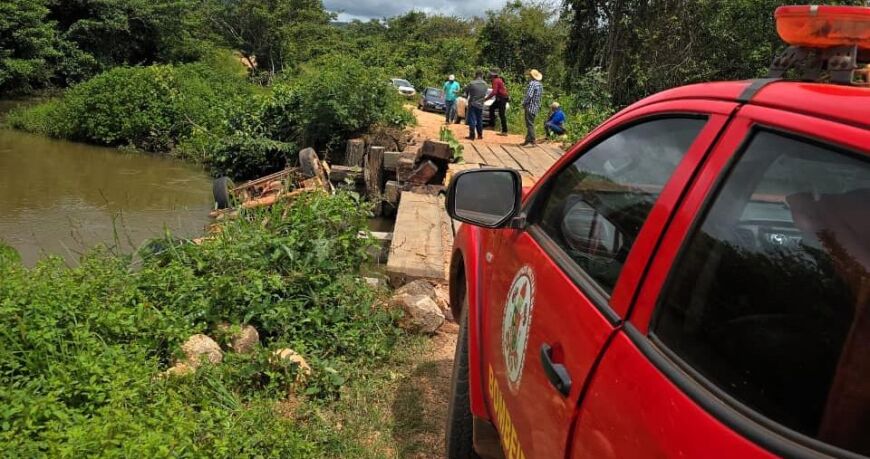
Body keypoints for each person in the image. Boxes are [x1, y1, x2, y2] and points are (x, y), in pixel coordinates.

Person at [464, 70, 488, 140]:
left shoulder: (472, 83)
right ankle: (480, 135)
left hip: (473, 104)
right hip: (481, 104)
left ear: (476, 75)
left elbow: (465, 90)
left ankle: (472, 135)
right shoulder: (485, 84)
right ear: (482, 76)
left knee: (472, 119)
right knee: (479, 119)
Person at [521, 69, 543, 147]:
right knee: (530, 123)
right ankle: (527, 140)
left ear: (531, 76)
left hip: (530, 106)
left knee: (529, 124)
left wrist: (524, 103)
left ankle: (533, 140)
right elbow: (540, 97)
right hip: (535, 107)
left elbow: (529, 96)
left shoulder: (532, 84)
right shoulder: (540, 85)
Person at [486, 69, 509, 136]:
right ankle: (491, 125)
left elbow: (494, 92)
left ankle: (505, 131)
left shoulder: (495, 80)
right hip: (500, 98)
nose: (489, 75)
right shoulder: (498, 79)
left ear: (492, 75)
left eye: (490, 74)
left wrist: (486, 99)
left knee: (502, 114)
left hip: (502, 98)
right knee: (492, 108)